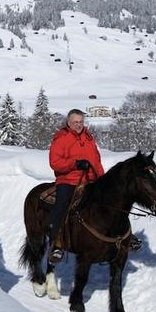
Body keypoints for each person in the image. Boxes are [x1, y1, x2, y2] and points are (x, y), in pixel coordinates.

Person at [47, 108, 105, 263]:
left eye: (81, 122)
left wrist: (103, 179)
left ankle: (120, 237)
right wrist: (75, 164)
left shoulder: (89, 138)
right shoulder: (61, 139)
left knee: (111, 200)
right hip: (68, 180)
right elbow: (55, 163)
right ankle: (57, 243)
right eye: (75, 122)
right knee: (62, 206)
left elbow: (96, 161)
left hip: (90, 180)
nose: (78, 125)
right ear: (68, 122)